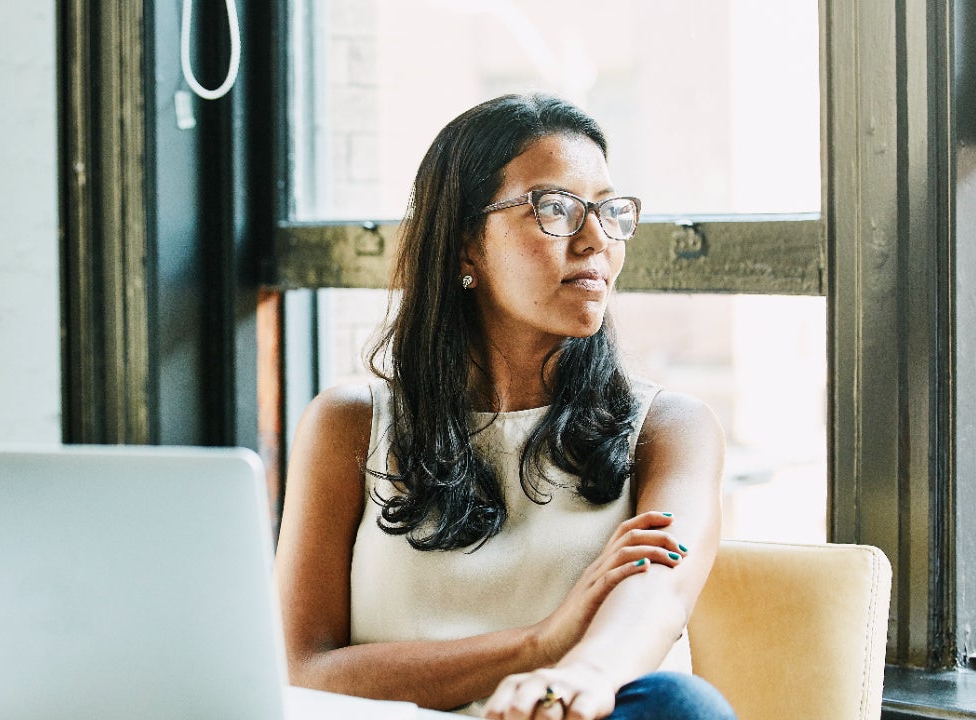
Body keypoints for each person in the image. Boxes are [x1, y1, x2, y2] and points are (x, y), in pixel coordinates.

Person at [274, 93, 736, 720]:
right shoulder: (349, 423)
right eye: (556, 209)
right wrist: (538, 644)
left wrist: (581, 674)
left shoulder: (668, 427)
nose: (596, 239)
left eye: (609, 211)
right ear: (467, 244)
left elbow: (662, 591)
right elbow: (301, 671)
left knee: (676, 703)